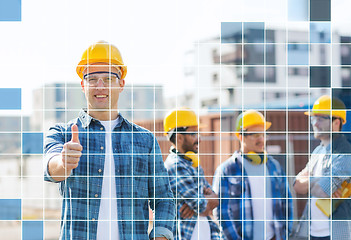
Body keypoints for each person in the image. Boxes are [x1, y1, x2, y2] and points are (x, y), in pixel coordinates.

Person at [43, 41, 175, 240]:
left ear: (121, 84)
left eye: (108, 78)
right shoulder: (63, 133)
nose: (100, 86)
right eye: (92, 79)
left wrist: (161, 236)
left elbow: (164, 199)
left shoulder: (145, 141)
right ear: (82, 85)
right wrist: (63, 163)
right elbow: (50, 168)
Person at [213, 110, 293, 240]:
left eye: (263, 134)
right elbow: (221, 213)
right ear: (240, 136)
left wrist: (283, 235)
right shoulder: (226, 170)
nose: (261, 139)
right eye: (255, 135)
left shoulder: (275, 168)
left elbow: (287, 204)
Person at [294, 95, 351, 240]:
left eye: (320, 119)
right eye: (313, 118)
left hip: (337, 234)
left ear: (336, 122)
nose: (314, 123)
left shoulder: (346, 152)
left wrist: (312, 183)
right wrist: (319, 181)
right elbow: (296, 186)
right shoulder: (317, 152)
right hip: (311, 232)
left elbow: (322, 191)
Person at [163, 108, 221, 240]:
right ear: (179, 137)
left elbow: (214, 200)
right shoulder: (175, 166)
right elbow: (202, 205)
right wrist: (204, 202)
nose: (199, 139)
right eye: (194, 134)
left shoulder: (192, 163)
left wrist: (204, 201)